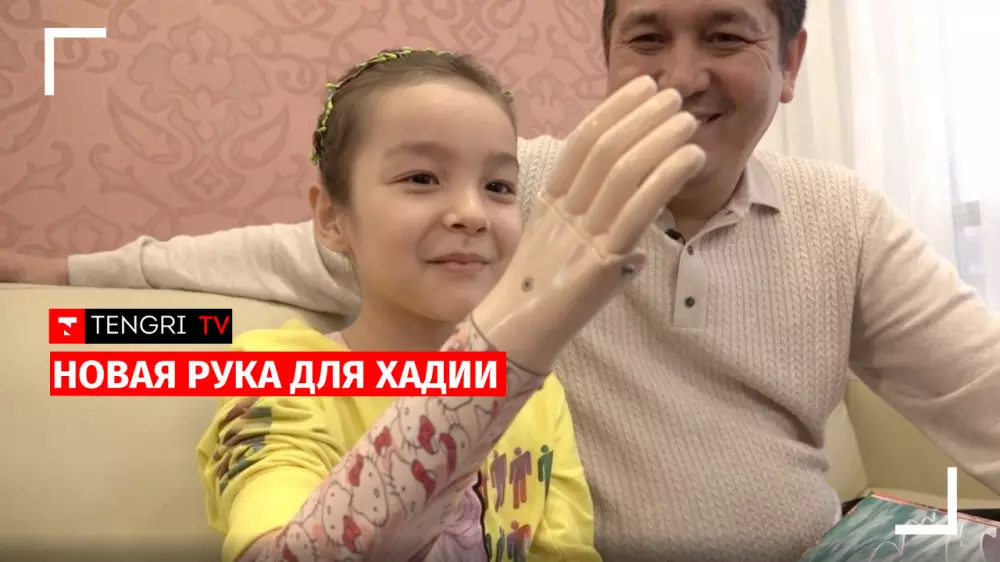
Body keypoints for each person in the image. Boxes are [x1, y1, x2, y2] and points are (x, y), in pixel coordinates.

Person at [3, 0, 999, 560]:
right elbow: (273, 255)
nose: (681, 74)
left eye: (726, 34)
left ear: (789, 62)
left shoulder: (839, 218)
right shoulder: (528, 205)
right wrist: (63, 277)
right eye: (646, 36)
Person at [194, 47, 703, 562]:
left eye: (498, 186)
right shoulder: (278, 371)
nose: (471, 213)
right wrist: (505, 344)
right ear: (330, 217)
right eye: (421, 178)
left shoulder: (539, 396)